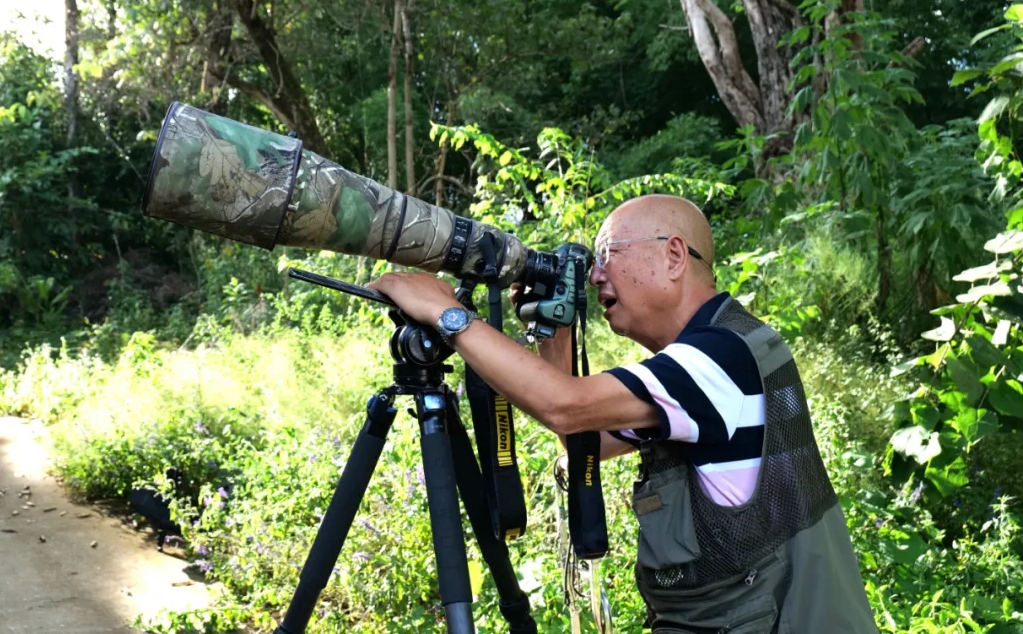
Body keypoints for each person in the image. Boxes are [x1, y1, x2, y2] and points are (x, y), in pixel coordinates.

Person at [367, 194, 878, 633]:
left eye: (609, 254)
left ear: (674, 256)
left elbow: (565, 408)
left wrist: (446, 313)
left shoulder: (719, 358)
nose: (595, 275)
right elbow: (586, 438)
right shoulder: (724, 348)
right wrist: (557, 335)